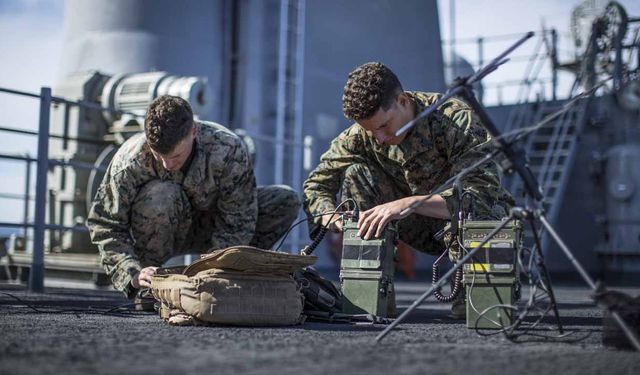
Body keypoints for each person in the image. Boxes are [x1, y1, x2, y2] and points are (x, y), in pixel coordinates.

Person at [302, 62, 513, 316]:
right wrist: (329, 215)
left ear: (402, 101)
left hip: (460, 225)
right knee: (356, 173)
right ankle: (371, 290)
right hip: (410, 227)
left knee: (477, 313)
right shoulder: (361, 135)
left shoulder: (455, 120)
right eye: (370, 131)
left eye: (383, 126)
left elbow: (481, 196)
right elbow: (316, 185)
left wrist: (408, 203)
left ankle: (472, 284)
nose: (378, 138)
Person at [87, 95, 300, 299]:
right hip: (162, 229)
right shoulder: (129, 160)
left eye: (175, 156)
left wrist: (213, 272)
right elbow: (105, 224)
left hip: (215, 230)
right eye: (158, 156)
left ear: (193, 132)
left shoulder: (226, 149)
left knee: (285, 201)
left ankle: (239, 274)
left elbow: (238, 219)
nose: (167, 165)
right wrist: (132, 272)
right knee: (162, 194)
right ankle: (150, 287)